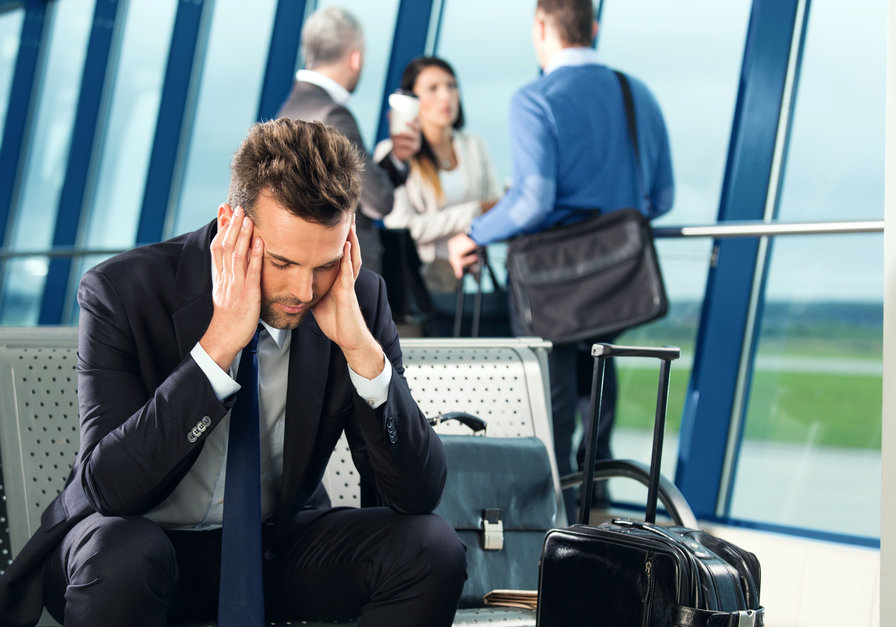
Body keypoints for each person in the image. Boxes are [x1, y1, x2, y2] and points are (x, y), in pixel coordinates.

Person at [0, 119, 467, 627]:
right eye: (282, 263)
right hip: (133, 555)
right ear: (234, 226)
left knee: (432, 548)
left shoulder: (356, 299)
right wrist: (217, 349)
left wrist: (362, 353)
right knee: (125, 553)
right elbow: (108, 489)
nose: (303, 292)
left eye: (324, 265)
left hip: (269, 552)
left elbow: (417, 496)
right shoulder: (122, 291)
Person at [447, 0, 674, 518]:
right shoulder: (636, 94)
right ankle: (599, 519)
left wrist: (476, 232)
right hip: (618, 279)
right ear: (593, 28)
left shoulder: (535, 98)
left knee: (550, 413)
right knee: (600, 398)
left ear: (542, 26)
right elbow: (659, 199)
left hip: (552, 286)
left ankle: (555, 532)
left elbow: (534, 200)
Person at [277, 6, 420, 276]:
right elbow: (379, 201)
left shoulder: (290, 110)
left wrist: (395, 159)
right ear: (355, 58)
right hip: (344, 275)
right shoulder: (334, 116)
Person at [373, 56, 501, 297]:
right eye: (433, 88)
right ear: (411, 101)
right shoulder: (393, 155)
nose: (446, 96)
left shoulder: (474, 145)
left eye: (451, 86)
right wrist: (474, 212)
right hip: (422, 283)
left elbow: (496, 207)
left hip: (471, 278)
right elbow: (403, 226)